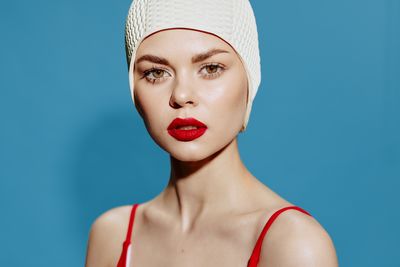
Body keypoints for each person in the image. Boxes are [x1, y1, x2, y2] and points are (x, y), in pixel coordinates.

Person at [85, 0, 338, 266]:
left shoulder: (294, 244)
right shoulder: (111, 235)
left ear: (250, 81)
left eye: (211, 68)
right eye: (156, 72)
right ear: (134, 92)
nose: (182, 95)